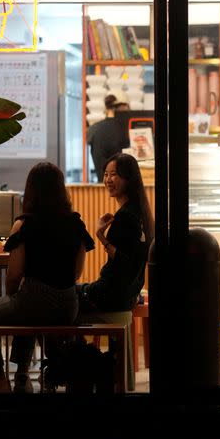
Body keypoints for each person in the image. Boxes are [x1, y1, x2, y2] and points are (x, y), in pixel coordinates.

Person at [0, 162, 95, 393]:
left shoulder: (24, 224)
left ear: (31, 190)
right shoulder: (76, 224)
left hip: (34, 301)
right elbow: (77, 273)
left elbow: (14, 275)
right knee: (24, 307)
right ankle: (23, 374)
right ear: (60, 189)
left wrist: (13, 296)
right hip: (68, 305)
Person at [76, 153, 153, 390]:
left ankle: (82, 372)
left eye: (114, 175)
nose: (108, 179)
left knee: (62, 302)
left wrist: (100, 236)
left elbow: (122, 262)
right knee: (73, 294)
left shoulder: (126, 217)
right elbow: (130, 261)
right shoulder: (140, 213)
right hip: (127, 294)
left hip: (111, 295)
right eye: (106, 174)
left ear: (128, 178)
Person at [87, 90, 131, 182]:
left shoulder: (94, 129)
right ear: (124, 106)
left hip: (101, 188)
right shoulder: (126, 129)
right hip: (123, 188)